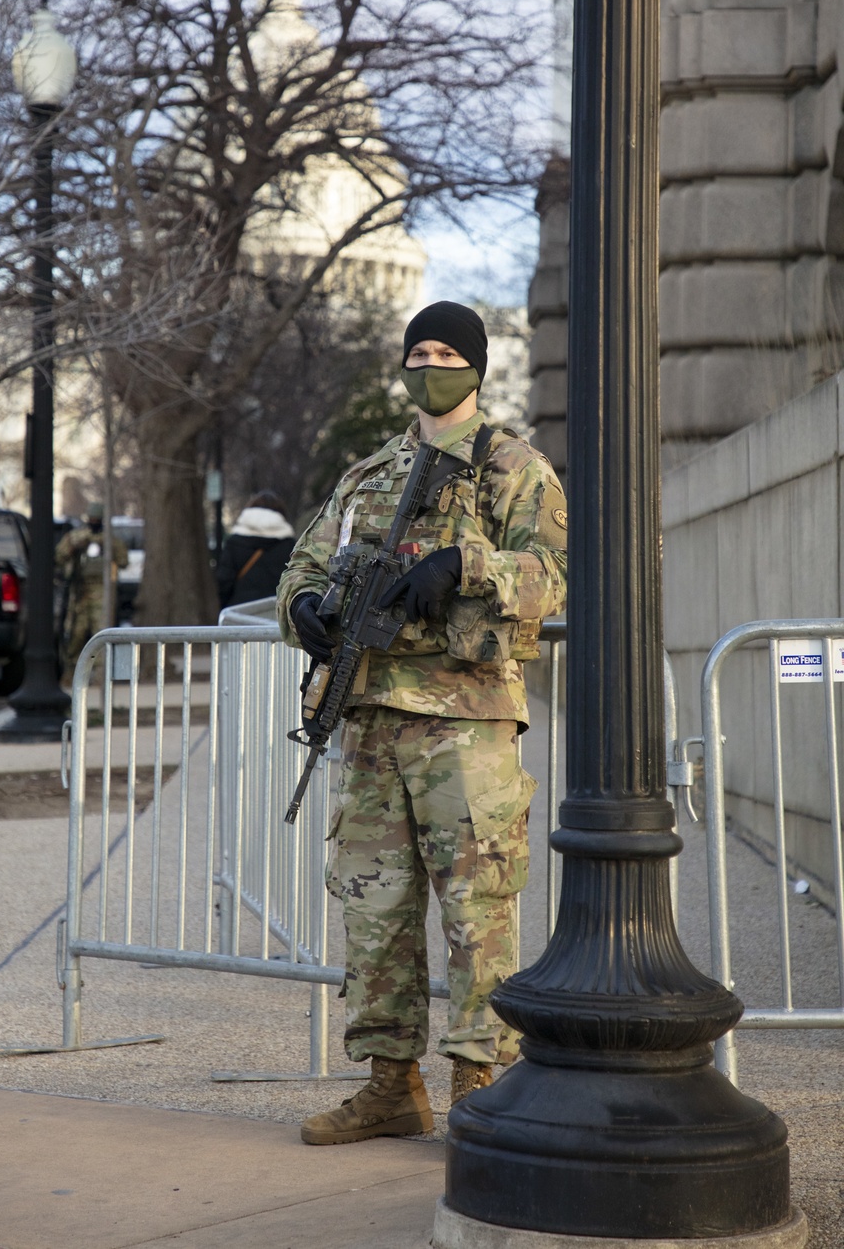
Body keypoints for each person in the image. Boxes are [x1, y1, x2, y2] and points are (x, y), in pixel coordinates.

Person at [276, 301, 567, 1145]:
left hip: (464, 722)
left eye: (446, 351)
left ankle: (481, 1086)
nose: (430, 363)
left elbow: (555, 575)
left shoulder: (514, 468)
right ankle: (389, 1086)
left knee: (477, 907)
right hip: (369, 717)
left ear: (475, 365)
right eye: (418, 351)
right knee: (374, 909)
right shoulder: (368, 474)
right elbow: (304, 561)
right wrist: (304, 608)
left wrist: (464, 562)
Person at [56, 503, 128, 686]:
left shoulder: (110, 539)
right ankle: (70, 675)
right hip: (79, 592)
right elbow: (60, 556)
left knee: (101, 633)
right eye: (92, 520)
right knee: (75, 635)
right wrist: (76, 544)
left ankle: (101, 677)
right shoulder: (76, 537)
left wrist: (107, 546)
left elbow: (123, 560)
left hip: (101, 592)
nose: (94, 523)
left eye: (97, 520)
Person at [216, 491, 296, 611]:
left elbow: (224, 582)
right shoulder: (289, 544)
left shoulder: (234, 542)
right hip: (276, 613)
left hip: (238, 612)